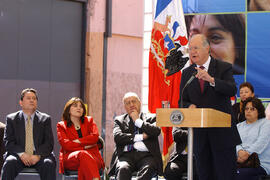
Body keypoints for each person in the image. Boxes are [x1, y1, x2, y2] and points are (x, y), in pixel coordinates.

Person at [179, 34, 241, 180]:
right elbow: (181, 101)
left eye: (196, 48)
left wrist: (212, 80)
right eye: (190, 49)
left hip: (222, 136)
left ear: (207, 48)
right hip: (200, 137)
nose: (192, 51)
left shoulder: (223, 67)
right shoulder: (187, 73)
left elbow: (232, 89)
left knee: (224, 175)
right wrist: (188, 106)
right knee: (204, 175)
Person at [1, 88, 56, 180]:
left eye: (34, 98)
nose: (32, 100)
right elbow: (8, 142)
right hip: (19, 155)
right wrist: (22, 154)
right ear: (21, 102)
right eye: (28, 98)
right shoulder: (11, 119)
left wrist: (37, 156)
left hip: (39, 156)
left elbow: (49, 143)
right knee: (10, 162)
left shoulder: (45, 119)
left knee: (48, 163)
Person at [110, 92, 163, 180]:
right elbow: (118, 137)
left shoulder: (152, 117)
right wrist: (140, 137)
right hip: (125, 156)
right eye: (128, 103)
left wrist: (138, 121)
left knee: (148, 169)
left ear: (139, 103)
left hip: (147, 156)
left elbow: (156, 131)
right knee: (123, 169)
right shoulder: (119, 120)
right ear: (125, 107)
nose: (131, 104)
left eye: (134, 101)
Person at [57, 97, 105, 180]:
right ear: (68, 110)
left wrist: (78, 141)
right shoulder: (61, 125)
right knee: (83, 154)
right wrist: (85, 146)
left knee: (85, 163)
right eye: (75, 106)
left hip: (93, 157)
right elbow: (66, 145)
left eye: (81, 106)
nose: (79, 108)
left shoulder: (89, 121)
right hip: (71, 158)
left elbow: (94, 137)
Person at [236, 97, 270, 180]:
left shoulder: (266, 123)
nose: (248, 111)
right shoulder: (238, 126)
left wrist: (247, 153)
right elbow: (234, 142)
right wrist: (239, 151)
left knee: (235, 176)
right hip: (239, 160)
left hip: (259, 163)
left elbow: (262, 142)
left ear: (259, 111)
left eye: (252, 109)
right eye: (246, 108)